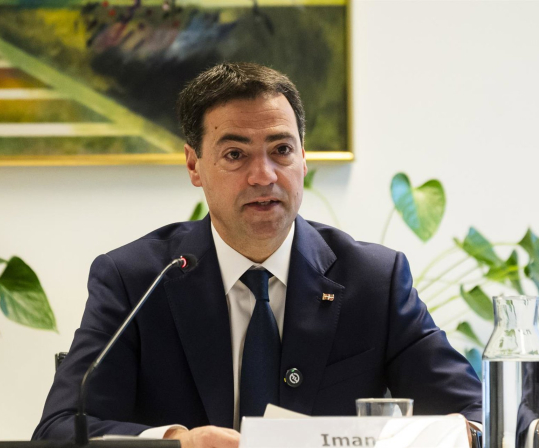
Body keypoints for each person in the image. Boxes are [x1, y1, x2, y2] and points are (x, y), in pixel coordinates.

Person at [33, 62, 482, 448]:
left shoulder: (374, 280)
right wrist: (177, 442)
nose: (263, 175)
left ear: (303, 158)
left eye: (281, 150)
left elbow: (478, 416)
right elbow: (59, 430)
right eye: (235, 154)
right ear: (193, 165)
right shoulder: (136, 279)